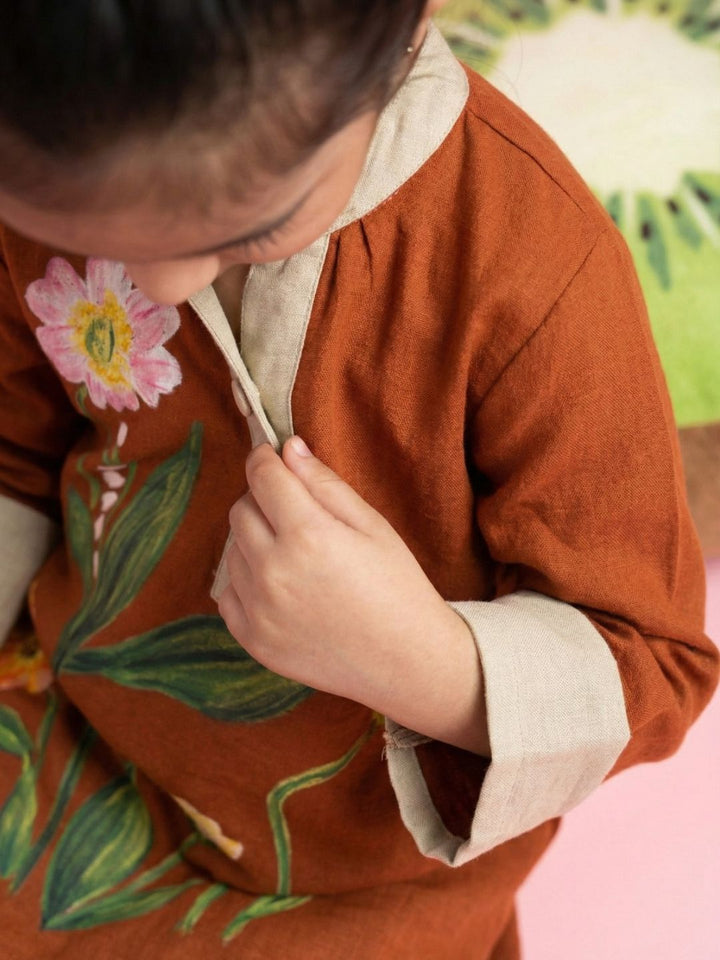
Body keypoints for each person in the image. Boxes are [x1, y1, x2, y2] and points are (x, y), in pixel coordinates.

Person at [0, 2, 716, 957]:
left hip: (359, 865)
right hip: (74, 720)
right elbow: (16, 446)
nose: (156, 287)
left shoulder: (532, 265)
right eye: (74, 227)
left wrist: (417, 657)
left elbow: (653, 663)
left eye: (251, 226)